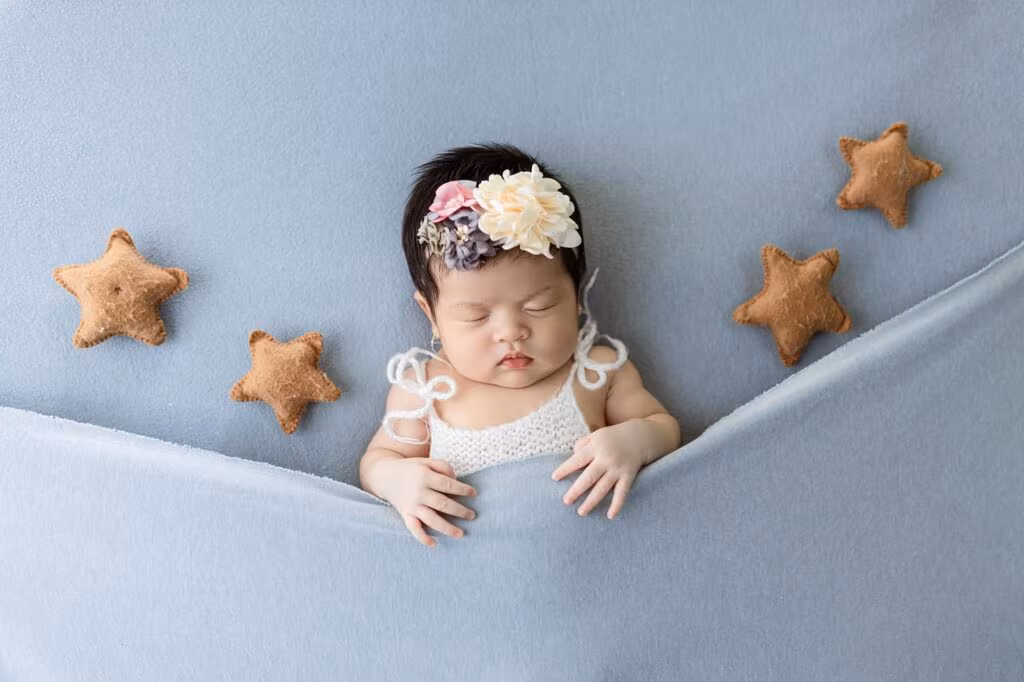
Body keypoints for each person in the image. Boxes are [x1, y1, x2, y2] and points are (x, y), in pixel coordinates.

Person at [358, 143, 680, 548]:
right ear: (431, 316)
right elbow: (377, 462)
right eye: (476, 316)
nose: (511, 332)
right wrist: (398, 481)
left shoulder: (597, 372)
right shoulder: (424, 392)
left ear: (576, 296)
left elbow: (663, 427)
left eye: (539, 306)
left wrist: (637, 440)